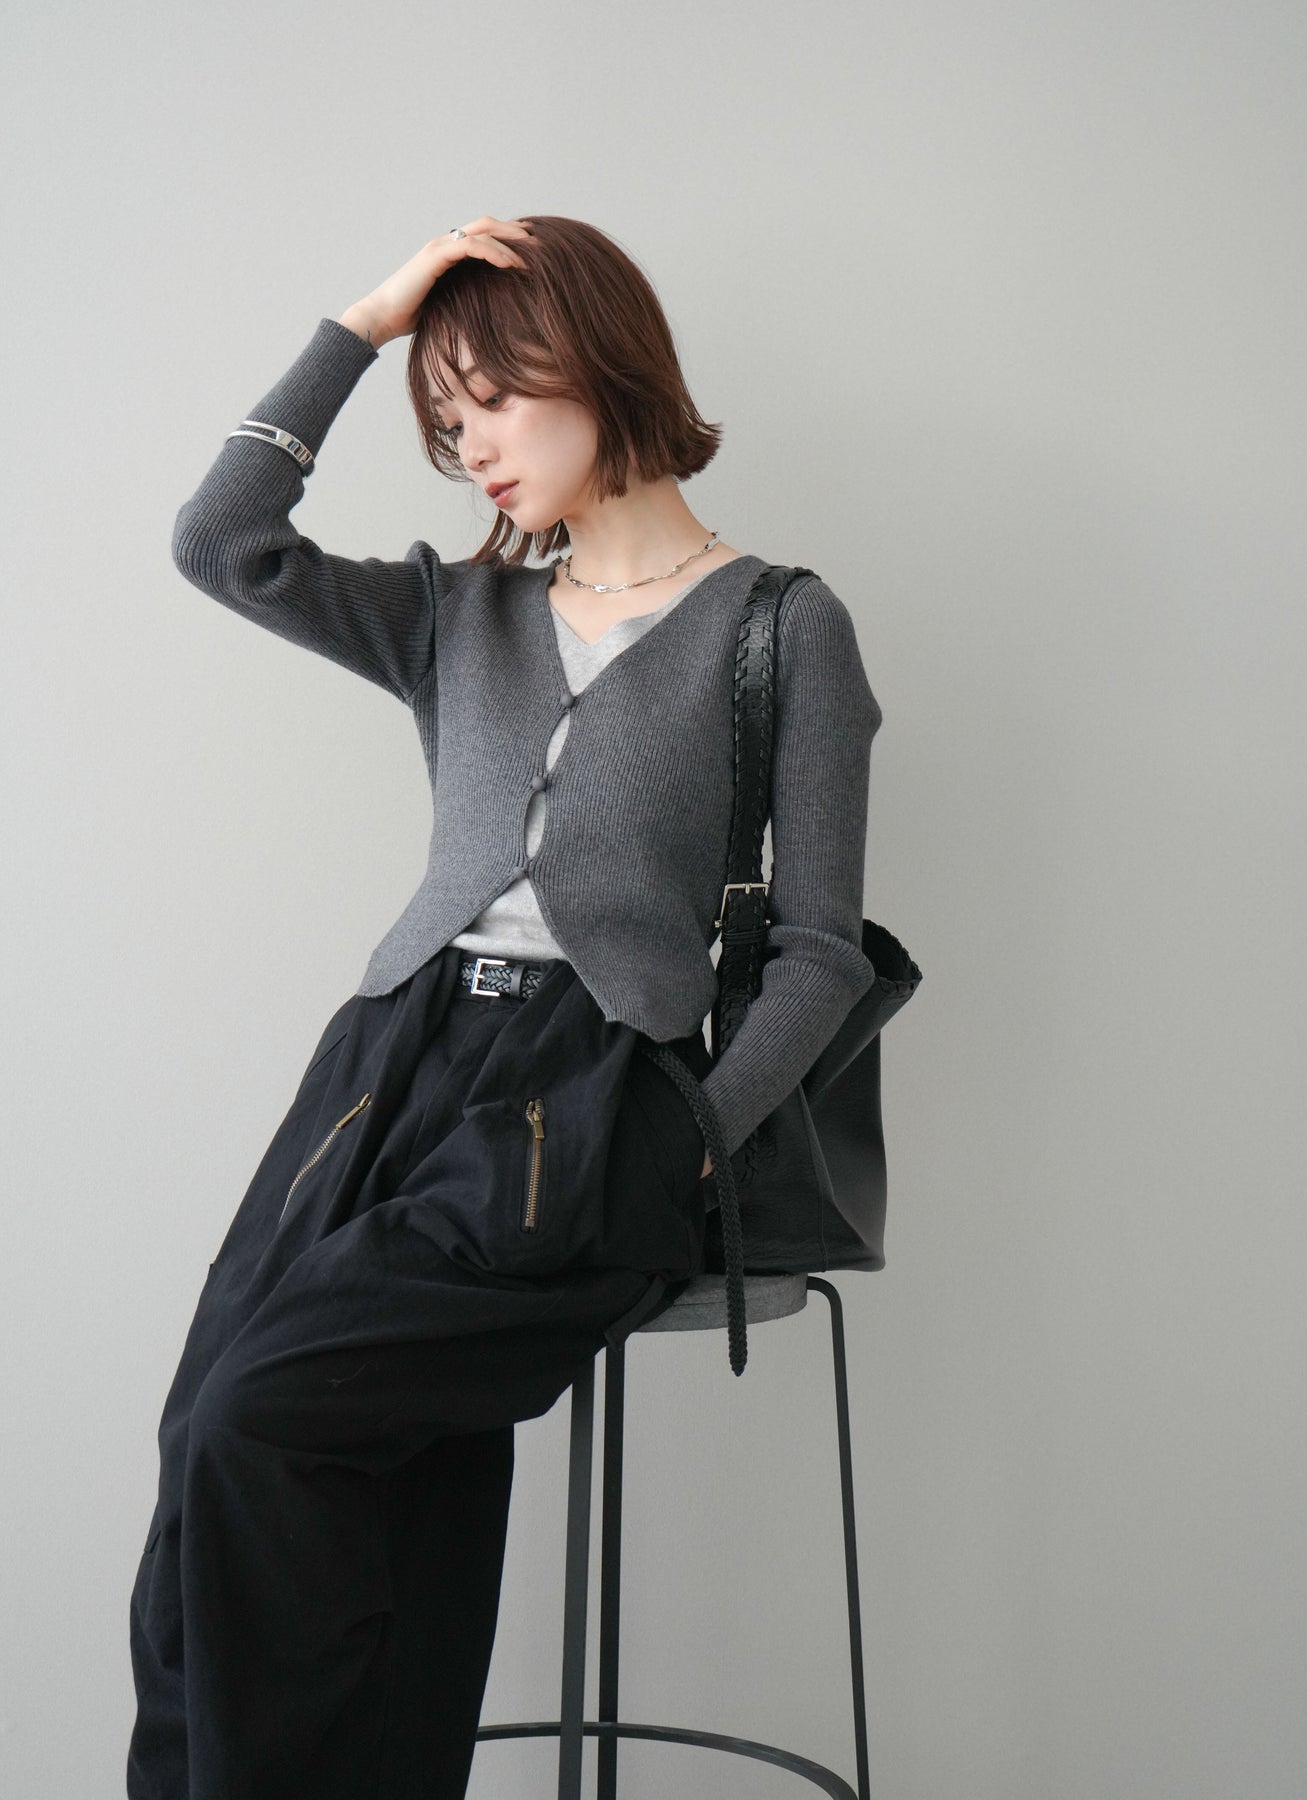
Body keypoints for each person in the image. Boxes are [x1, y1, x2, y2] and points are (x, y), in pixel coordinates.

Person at [127, 213, 883, 1799]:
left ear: (598, 366)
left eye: (491, 400)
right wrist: (363, 325)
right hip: (385, 1066)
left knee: (267, 1419)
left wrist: (689, 1137)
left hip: (590, 1090)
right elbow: (221, 542)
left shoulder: (780, 627)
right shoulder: (454, 617)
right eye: (444, 418)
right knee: (211, 1436)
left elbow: (818, 949)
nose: (467, 446)